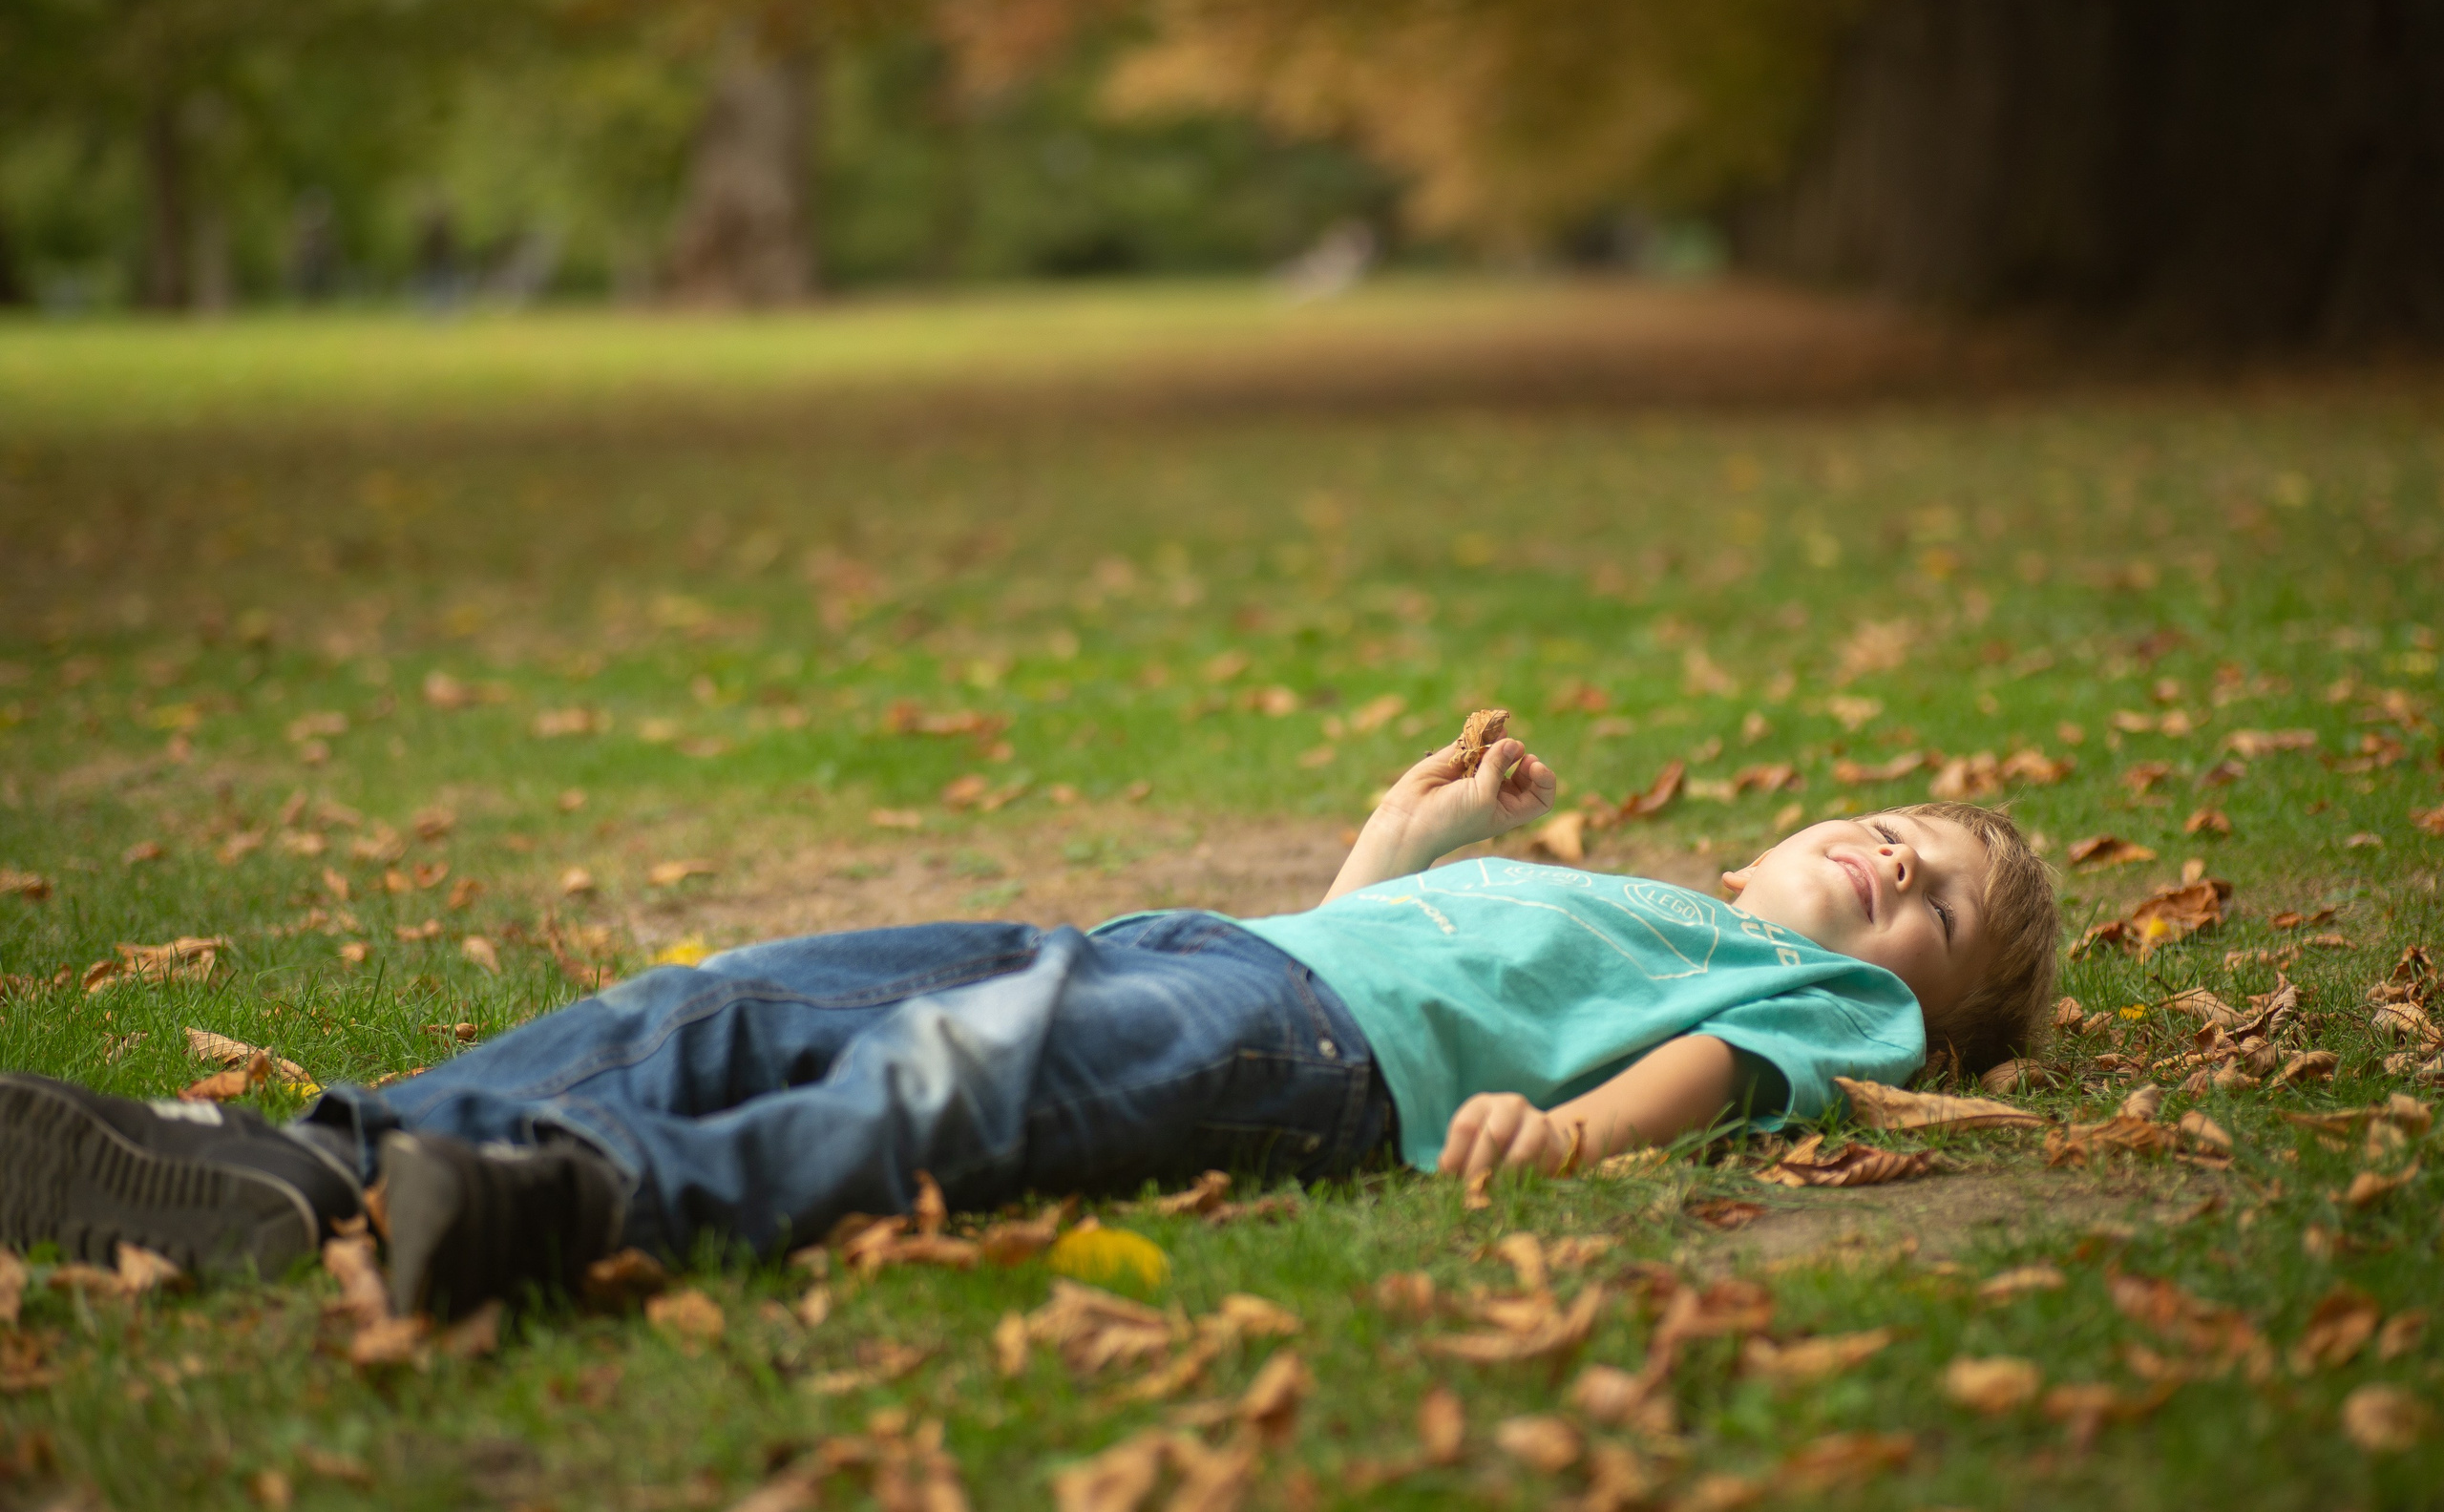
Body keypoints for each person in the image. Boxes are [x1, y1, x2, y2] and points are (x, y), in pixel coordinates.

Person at [0, 727, 2056, 1318]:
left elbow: (1715, 1076)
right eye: (1886, 824)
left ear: (1926, 1004)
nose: (1894, 862)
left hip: (1310, 1068)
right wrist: (1390, 834)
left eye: (1936, 892)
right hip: (1219, 959)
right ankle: (329, 1150)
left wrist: (1581, 1141)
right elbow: (1340, 937)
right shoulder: (1632, 894)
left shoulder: (1815, 999)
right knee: (734, 993)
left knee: (947, 1088)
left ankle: (558, 1204)